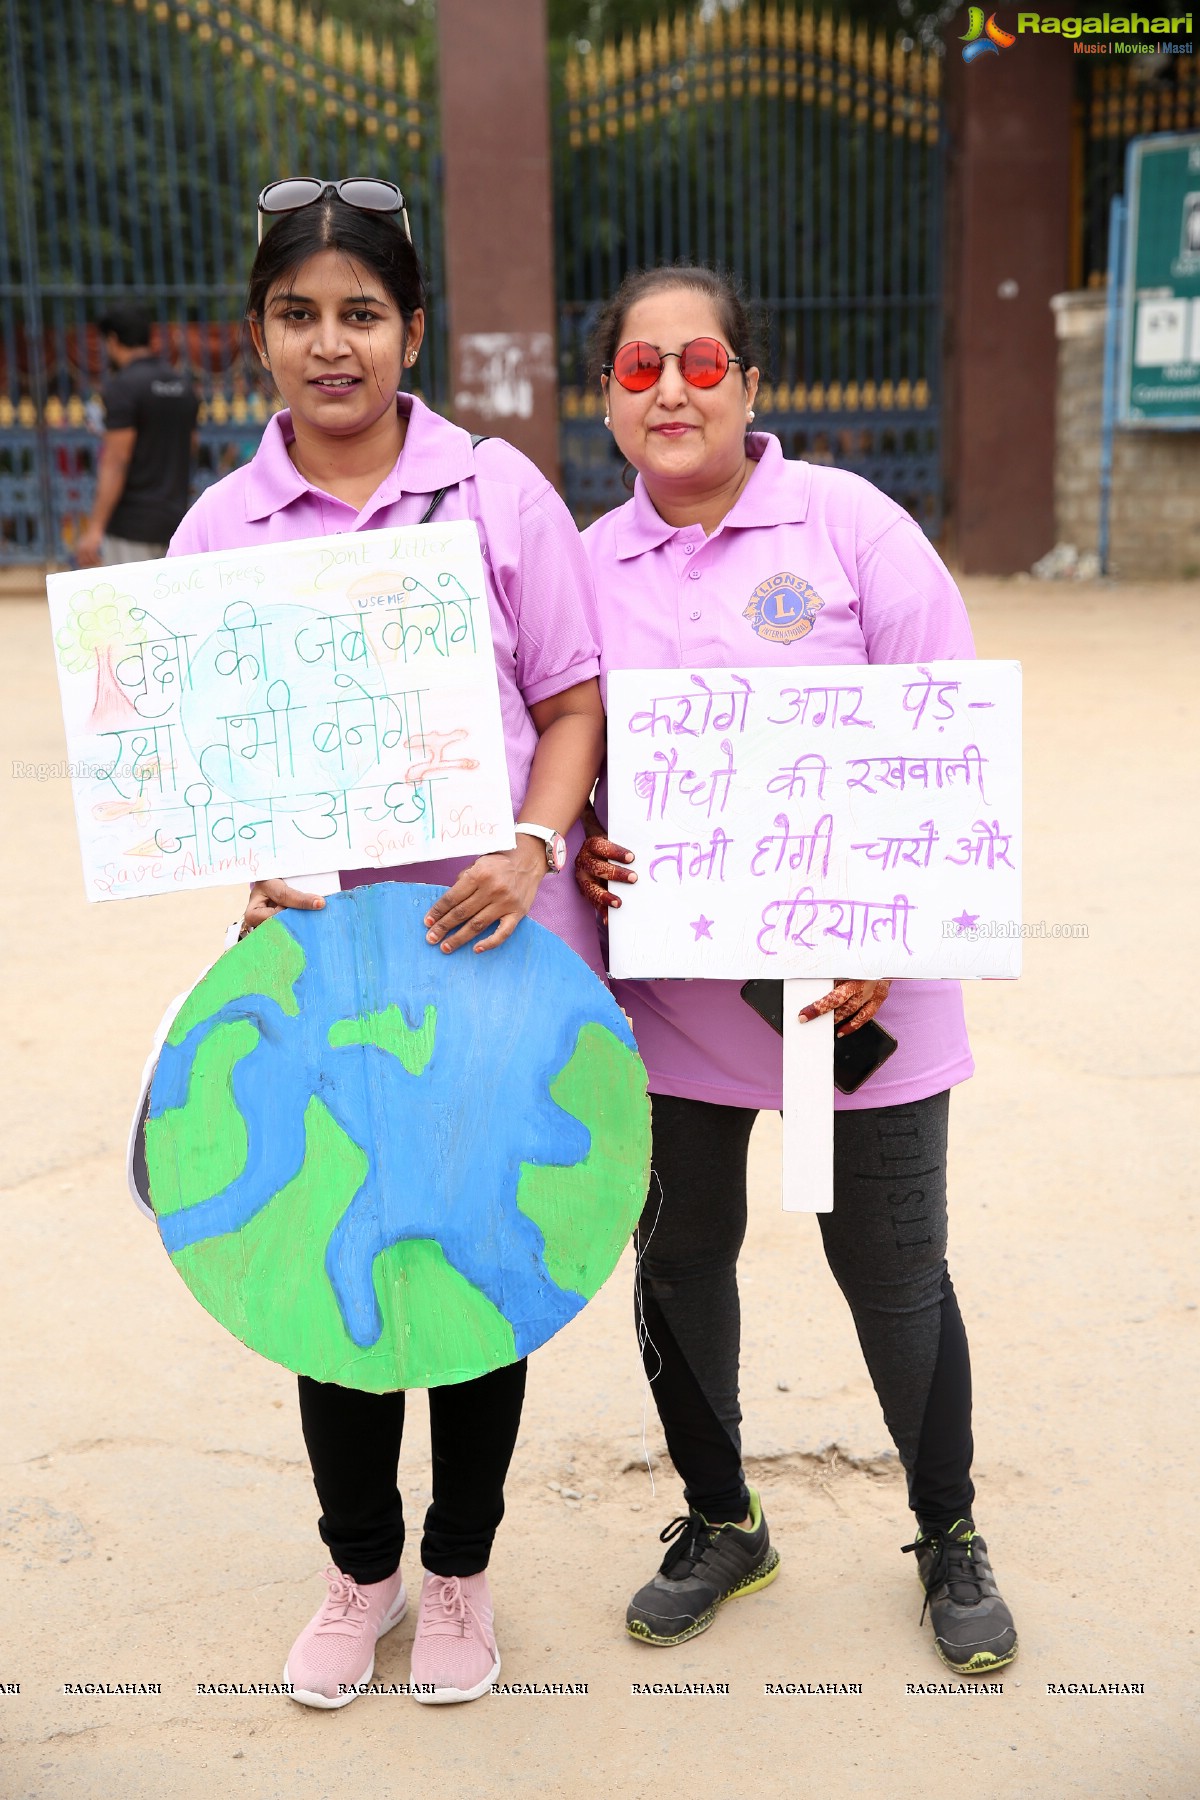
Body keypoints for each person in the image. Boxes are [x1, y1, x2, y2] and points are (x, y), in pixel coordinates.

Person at [167, 180, 606, 1708]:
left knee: (483, 1270)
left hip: (492, 961)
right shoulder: (222, 527)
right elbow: (203, 760)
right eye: (299, 314)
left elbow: (567, 702)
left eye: (361, 313)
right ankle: (360, 1574)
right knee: (324, 1261)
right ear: (261, 336)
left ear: (411, 332)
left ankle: (463, 1575)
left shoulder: (496, 494)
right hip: (322, 978)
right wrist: (253, 864)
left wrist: (527, 846)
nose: (330, 344)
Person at [574, 264, 1018, 1677]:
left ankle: (948, 1531)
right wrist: (586, 849)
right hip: (676, 1013)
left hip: (858, 1001)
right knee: (680, 1254)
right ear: (608, 402)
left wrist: (892, 929)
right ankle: (723, 1521)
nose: (673, 392)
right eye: (639, 371)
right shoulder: (585, 567)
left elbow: (945, 728)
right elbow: (561, 758)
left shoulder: (849, 526)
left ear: (750, 383)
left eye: (699, 362)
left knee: (889, 1270)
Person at [77, 301, 199, 567]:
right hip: (175, 519)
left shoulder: (123, 387)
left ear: (113, 340)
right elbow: (191, 446)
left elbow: (116, 460)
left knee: (130, 606)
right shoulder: (182, 385)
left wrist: (95, 528)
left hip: (131, 526)